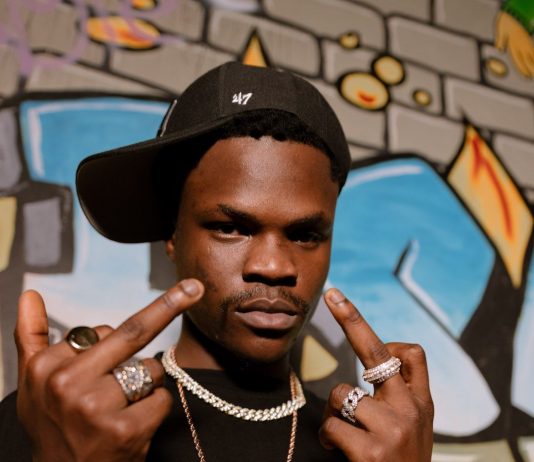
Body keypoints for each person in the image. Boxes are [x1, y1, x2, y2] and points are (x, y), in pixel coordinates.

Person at [0, 62, 434, 461]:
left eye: (305, 235)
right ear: (172, 234)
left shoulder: (365, 451)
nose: (274, 266)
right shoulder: (58, 423)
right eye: (230, 227)